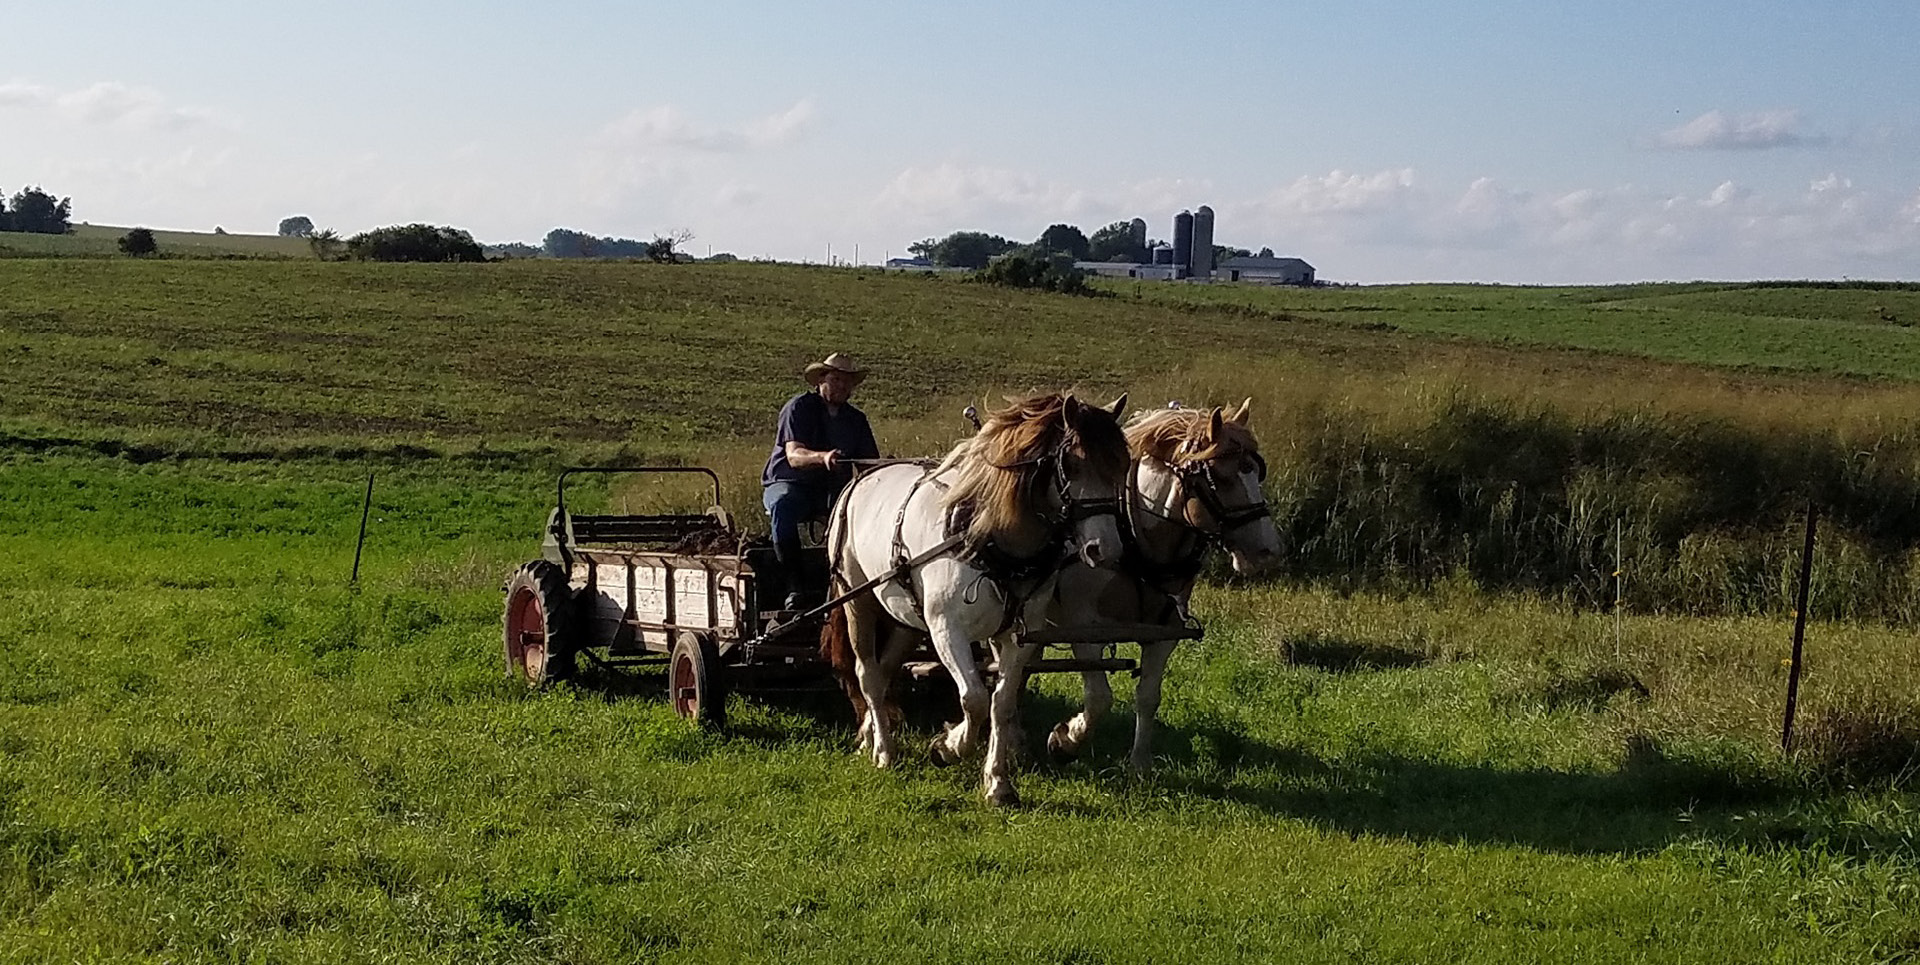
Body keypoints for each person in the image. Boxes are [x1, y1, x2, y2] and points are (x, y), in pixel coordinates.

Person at [762, 352, 880, 609]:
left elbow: (869, 462)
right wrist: (823, 457)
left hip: (832, 490)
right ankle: (795, 587)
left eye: (848, 382)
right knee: (782, 505)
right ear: (820, 380)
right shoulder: (798, 408)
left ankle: (852, 586)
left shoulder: (856, 420)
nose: (842, 386)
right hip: (791, 483)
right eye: (836, 379)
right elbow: (794, 456)